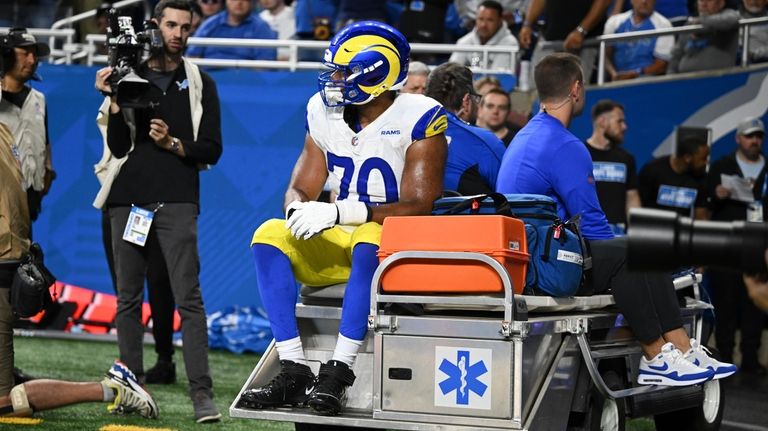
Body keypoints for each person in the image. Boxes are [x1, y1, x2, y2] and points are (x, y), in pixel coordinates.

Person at [238, 21, 447, 416]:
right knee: (268, 234)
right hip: (341, 240)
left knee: (370, 235)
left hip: (393, 244)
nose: (334, 79)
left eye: (343, 71)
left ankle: (338, 371)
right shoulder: (322, 111)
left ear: (376, 72)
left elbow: (421, 203)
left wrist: (340, 210)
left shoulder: (420, 114)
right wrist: (297, 208)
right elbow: (301, 185)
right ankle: (294, 367)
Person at [496, 52, 735, 386]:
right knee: (634, 253)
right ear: (576, 89)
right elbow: (592, 224)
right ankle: (657, 354)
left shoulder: (523, 135)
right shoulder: (565, 144)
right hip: (547, 266)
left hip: (531, 256)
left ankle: (678, 348)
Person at [93, 0, 222, 422]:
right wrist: (113, 100)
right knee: (127, 299)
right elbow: (116, 146)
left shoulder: (200, 81)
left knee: (189, 299)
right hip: (127, 200)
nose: (178, 34)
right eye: (171, 25)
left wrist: (174, 144)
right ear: (155, 26)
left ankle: (201, 395)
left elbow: (212, 149)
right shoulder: (128, 75)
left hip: (178, 198)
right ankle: (131, 389)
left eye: (185, 27)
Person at [706, 117, 767, 375]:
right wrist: (715, 195)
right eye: (749, 136)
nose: (755, 141)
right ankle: (726, 357)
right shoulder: (722, 166)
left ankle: (751, 359)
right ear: (738, 138)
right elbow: (704, 203)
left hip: (759, 246)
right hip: (727, 247)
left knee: (755, 304)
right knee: (725, 303)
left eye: (759, 136)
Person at [0, 28, 55, 224]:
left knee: (23, 252)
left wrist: (48, 172)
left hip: (29, 195)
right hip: (2, 195)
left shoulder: (38, 99)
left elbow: (45, 141)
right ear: (6, 56)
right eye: (25, 53)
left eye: (34, 54)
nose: (32, 61)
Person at [425, 62, 505, 195]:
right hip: (468, 215)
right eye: (476, 98)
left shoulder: (402, 132)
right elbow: (512, 196)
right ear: (466, 101)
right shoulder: (484, 142)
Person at [519, 0, 613, 85]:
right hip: (549, 39)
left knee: (574, 92)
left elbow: (603, 2)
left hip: (584, 42)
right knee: (538, 89)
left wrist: (581, 30)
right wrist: (527, 24)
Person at [585, 99, 640, 231]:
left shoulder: (626, 158)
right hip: (588, 234)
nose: (624, 127)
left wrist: (637, 231)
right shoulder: (580, 155)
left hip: (619, 235)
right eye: (619, 121)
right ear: (602, 122)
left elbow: (632, 198)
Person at [638, 134, 710, 219]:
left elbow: (701, 216)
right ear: (687, 158)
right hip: (651, 226)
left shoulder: (701, 177)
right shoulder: (653, 170)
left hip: (681, 229)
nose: (706, 163)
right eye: (703, 159)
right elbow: (638, 205)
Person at [603, 0, 675, 80]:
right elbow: (605, 56)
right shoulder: (614, 22)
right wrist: (614, 74)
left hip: (649, 81)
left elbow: (661, 65)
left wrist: (635, 74)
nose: (644, 1)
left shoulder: (664, 25)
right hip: (617, 80)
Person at [186, 0, 277, 60]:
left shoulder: (261, 27)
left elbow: (265, 65)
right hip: (209, 77)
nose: (239, 3)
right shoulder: (210, 24)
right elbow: (192, 56)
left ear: (251, 3)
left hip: (247, 80)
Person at [668, 0, 739, 73]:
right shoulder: (690, 25)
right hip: (686, 79)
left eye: (708, 1)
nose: (703, 4)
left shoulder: (728, 15)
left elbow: (731, 20)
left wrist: (701, 21)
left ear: (721, 3)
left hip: (717, 78)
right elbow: (676, 56)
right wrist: (670, 78)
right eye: (701, 0)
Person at [449, 1, 519, 70]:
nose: (483, 25)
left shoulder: (510, 44)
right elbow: (452, 73)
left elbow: (499, 79)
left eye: (490, 20)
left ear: (500, 21)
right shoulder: (464, 42)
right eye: (481, 19)